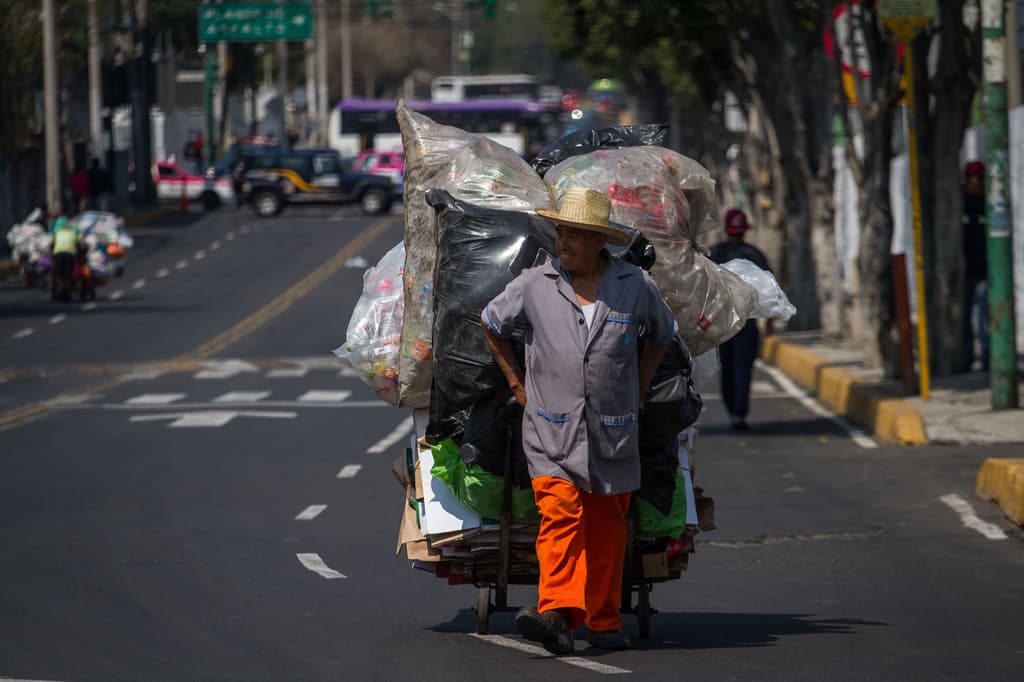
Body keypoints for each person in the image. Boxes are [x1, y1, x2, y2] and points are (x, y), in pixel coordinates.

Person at [481, 187, 676, 654]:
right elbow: (491, 322)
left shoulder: (633, 285)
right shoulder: (534, 284)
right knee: (560, 515)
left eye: (573, 235)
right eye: (560, 232)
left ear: (597, 242)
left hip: (613, 429)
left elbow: (662, 333)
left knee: (607, 526)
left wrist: (642, 386)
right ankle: (557, 612)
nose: (562, 242)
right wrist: (516, 384)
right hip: (550, 429)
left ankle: (604, 621)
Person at [710, 208, 773, 431]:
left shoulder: (713, 253)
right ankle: (739, 412)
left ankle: (732, 408)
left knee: (727, 366)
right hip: (747, 322)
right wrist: (770, 324)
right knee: (743, 367)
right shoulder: (755, 254)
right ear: (745, 229)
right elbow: (769, 292)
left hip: (721, 323)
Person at [961, 160, 989, 371]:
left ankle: (987, 357)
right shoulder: (959, 204)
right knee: (964, 319)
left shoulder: (989, 205)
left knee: (980, 317)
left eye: (979, 178)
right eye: (972, 178)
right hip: (962, 270)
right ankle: (966, 357)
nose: (976, 182)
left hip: (984, 271)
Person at [50, 215, 79, 302]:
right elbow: (79, 244)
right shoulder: (73, 232)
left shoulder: (57, 232)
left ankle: (60, 290)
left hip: (58, 254)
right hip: (70, 254)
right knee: (67, 274)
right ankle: (67, 291)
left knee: (59, 275)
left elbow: (52, 244)